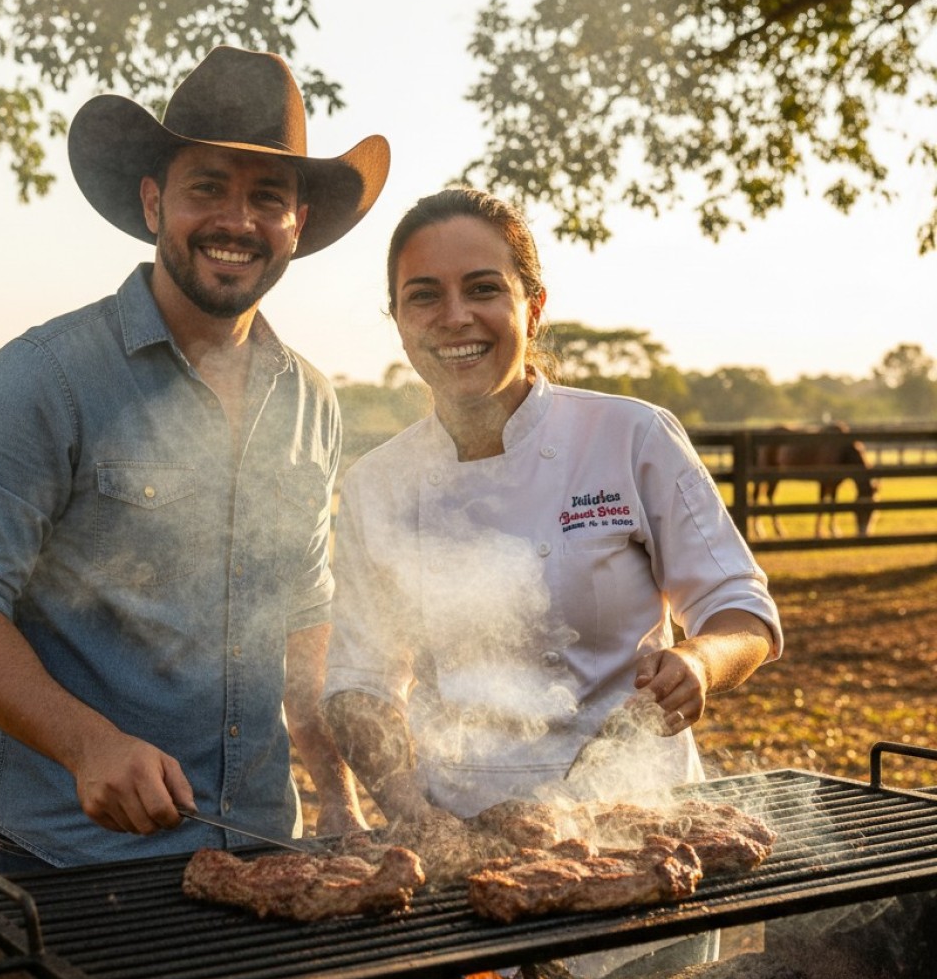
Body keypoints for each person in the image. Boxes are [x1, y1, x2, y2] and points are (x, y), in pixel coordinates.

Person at [0, 46, 390, 878]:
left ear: (297, 224)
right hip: (76, 857)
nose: (236, 221)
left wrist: (335, 796)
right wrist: (88, 745)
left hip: (260, 850)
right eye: (208, 187)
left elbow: (304, 612)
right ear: (153, 200)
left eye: (267, 197)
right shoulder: (43, 378)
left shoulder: (310, 399)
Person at [322, 184, 782, 832]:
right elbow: (359, 686)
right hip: (464, 829)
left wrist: (700, 662)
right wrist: (416, 816)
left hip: (639, 817)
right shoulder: (378, 485)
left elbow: (742, 611)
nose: (454, 316)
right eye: (423, 295)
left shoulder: (630, 436)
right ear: (397, 320)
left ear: (532, 307)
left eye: (483, 288)